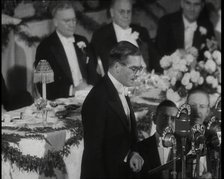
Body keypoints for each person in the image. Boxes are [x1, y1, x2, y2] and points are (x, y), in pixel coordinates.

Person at [81, 41, 144, 179]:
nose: (138, 74)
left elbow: (125, 134)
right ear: (116, 67)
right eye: (134, 69)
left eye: (140, 69)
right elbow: (93, 154)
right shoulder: (97, 98)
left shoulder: (119, 88)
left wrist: (133, 152)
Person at [34, 1, 96, 100]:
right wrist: (73, 90)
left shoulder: (82, 41)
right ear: (55, 22)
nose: (72, 24)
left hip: (89, 95)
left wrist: (91, 88)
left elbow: (93, 73)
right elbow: (44, 87)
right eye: (67, 21)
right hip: (64, 100)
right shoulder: (46, 47)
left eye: (74, 20)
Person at [91, 0, 160, 77]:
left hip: (147, 80)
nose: (126, 15)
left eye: (128, 11)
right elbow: (94, 67)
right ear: (112, 12)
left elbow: (156, 61)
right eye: (122, 12)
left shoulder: (142, 31)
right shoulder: (100, 35)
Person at [132, 100, 182, 179]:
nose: (168, 122)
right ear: (154, 119)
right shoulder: (139, 148)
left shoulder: (184, 148)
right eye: (164, 117)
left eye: (173, 118)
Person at [186, 87, 220, 179]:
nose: (197, 111)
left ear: (208, 111)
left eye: (202, 106)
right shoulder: (176, 135)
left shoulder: (214, 135)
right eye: (193, 106)